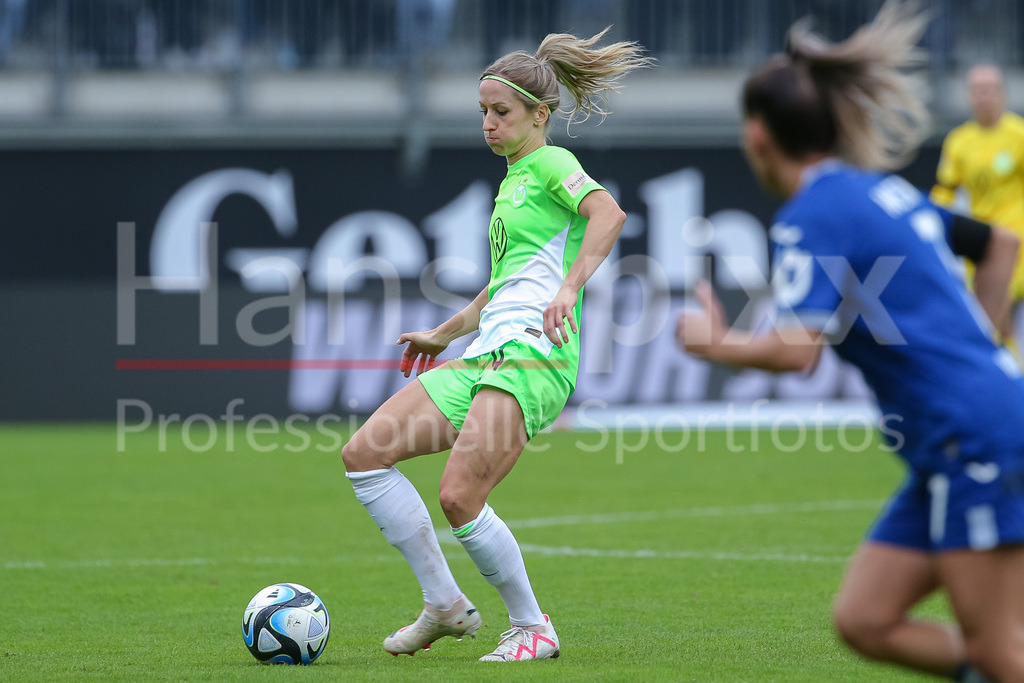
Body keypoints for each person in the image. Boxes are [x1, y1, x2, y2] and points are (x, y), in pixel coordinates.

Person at [676, 2, 1024, 681]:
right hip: (963, 432)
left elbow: (796, 351)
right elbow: (1002, 244)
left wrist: (716, 343)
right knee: (866, 619)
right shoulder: (877, 191)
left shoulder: (813, 212)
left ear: (757, 134)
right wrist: (985, 348)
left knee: (996, 650)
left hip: (973, 436)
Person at [342, 28, 649, 662]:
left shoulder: (551, 164)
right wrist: (444, 333)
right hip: (488, 353)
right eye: (482, 110)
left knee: (459, 496)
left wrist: (569, 289)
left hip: (534, 355)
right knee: (365, 454)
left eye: (501, 111)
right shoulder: (513, 182)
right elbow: (504, 286)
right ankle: (443, 604)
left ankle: (533, 628)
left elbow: (609, 214)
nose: (488, 123)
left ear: (539, 115)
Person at [931, 63, 1024, 361]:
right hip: (982, 242)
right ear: (969, 96)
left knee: (997, 318)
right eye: (977, 90)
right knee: (994, 326)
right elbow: (945, 189)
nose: (983, 97)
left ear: (1002, 94)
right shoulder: (959, 141)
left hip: (1017, 242)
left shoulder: (1018, 135)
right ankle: (1009, 375)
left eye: (989, 90)